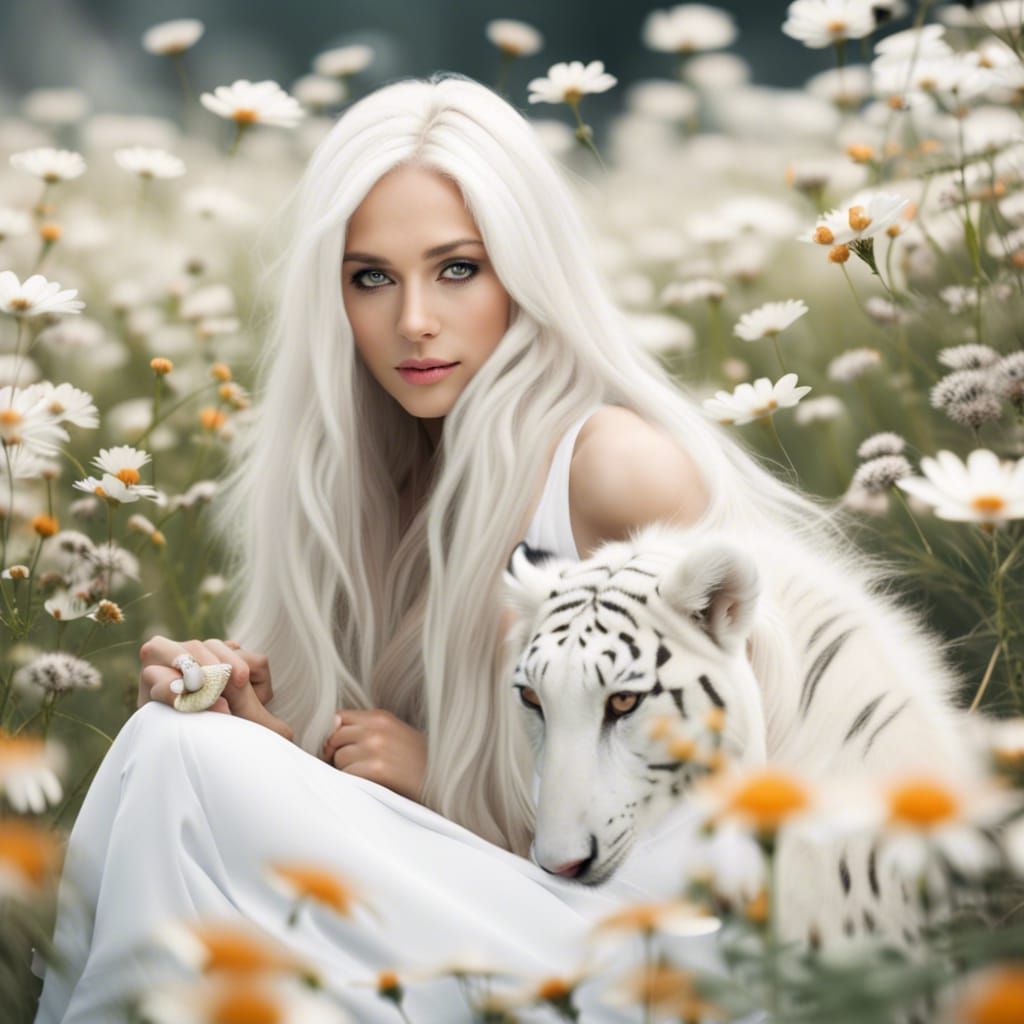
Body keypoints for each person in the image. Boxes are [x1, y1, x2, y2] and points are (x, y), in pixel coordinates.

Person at [32, 71, 862, 1022]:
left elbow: (731, 824)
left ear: (525, 271)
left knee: (185, 764)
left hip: (648, 961)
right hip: (494, 911)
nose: (414, 319)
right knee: (184, 740)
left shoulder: (611, 469)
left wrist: (444, 785)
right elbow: (374, 805)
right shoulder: (362, 486)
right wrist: (265, 735)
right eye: (372, 277)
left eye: (457, 269)